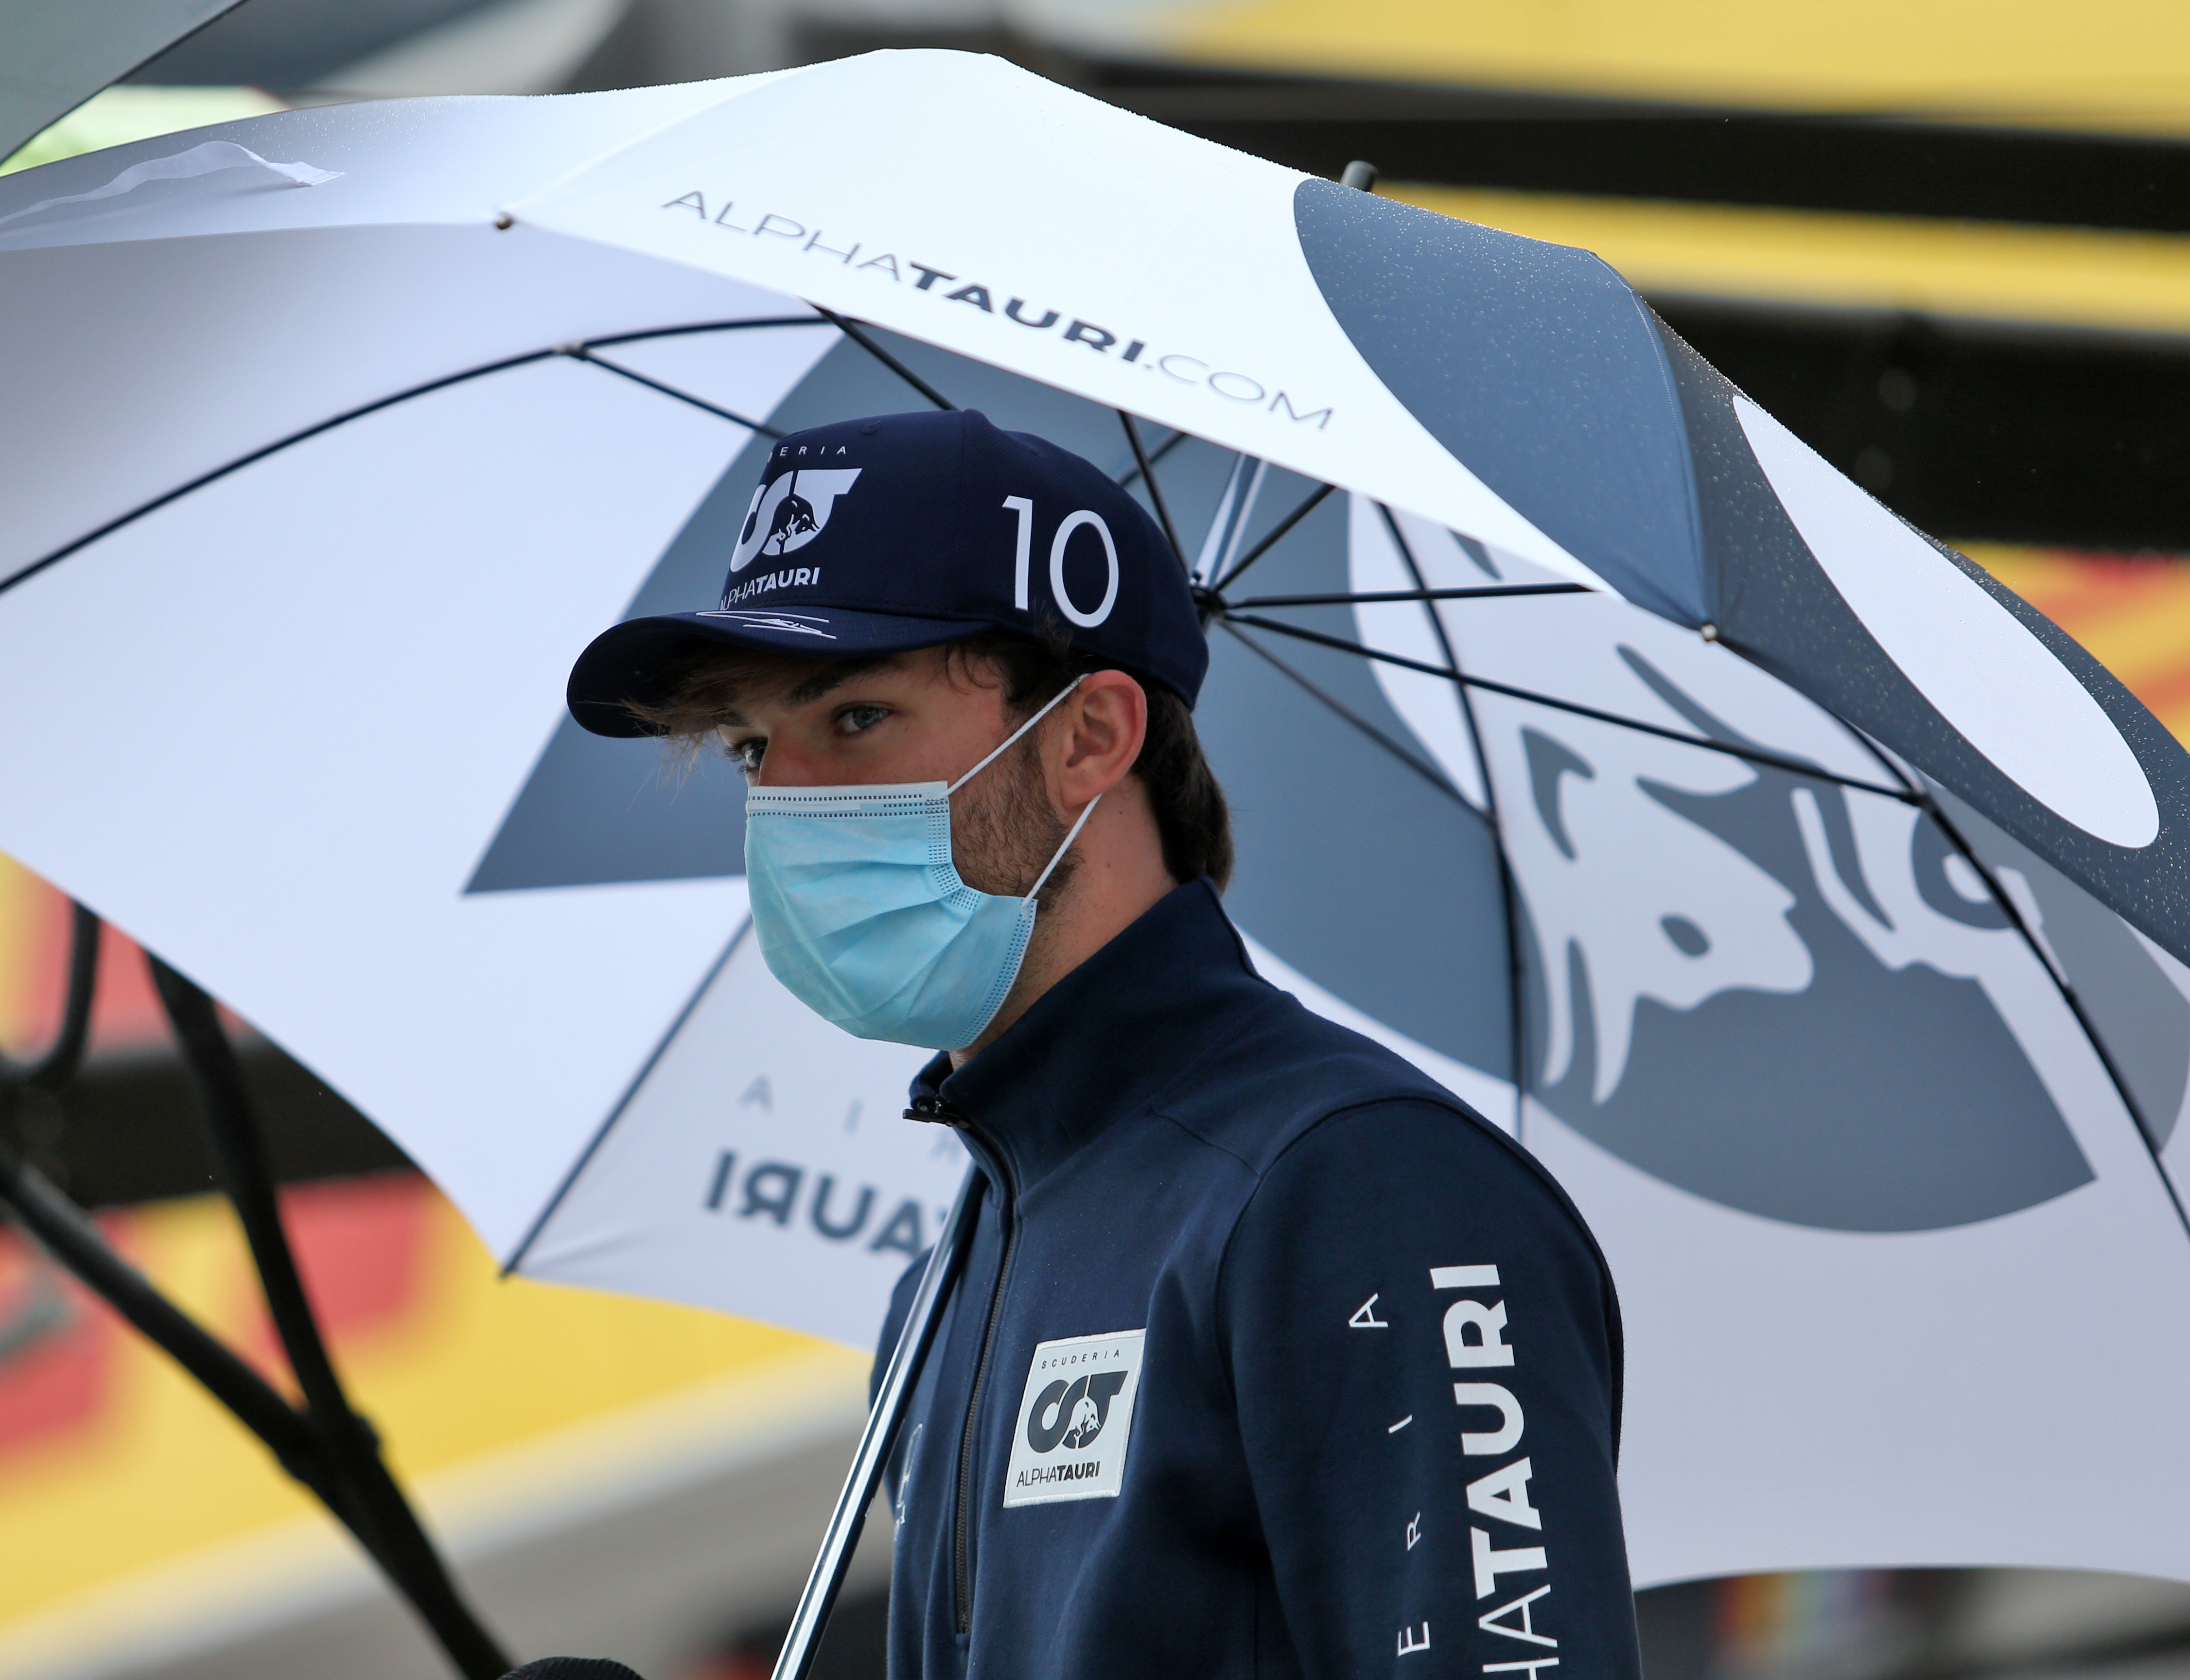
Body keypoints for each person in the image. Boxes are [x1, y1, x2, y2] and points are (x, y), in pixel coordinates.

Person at [564, 409, 1640, 1680]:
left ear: (1089, 737)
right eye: (753, 749)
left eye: (852, 718)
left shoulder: (1357, 1189)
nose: (779, 802)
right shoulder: (958, 1265)